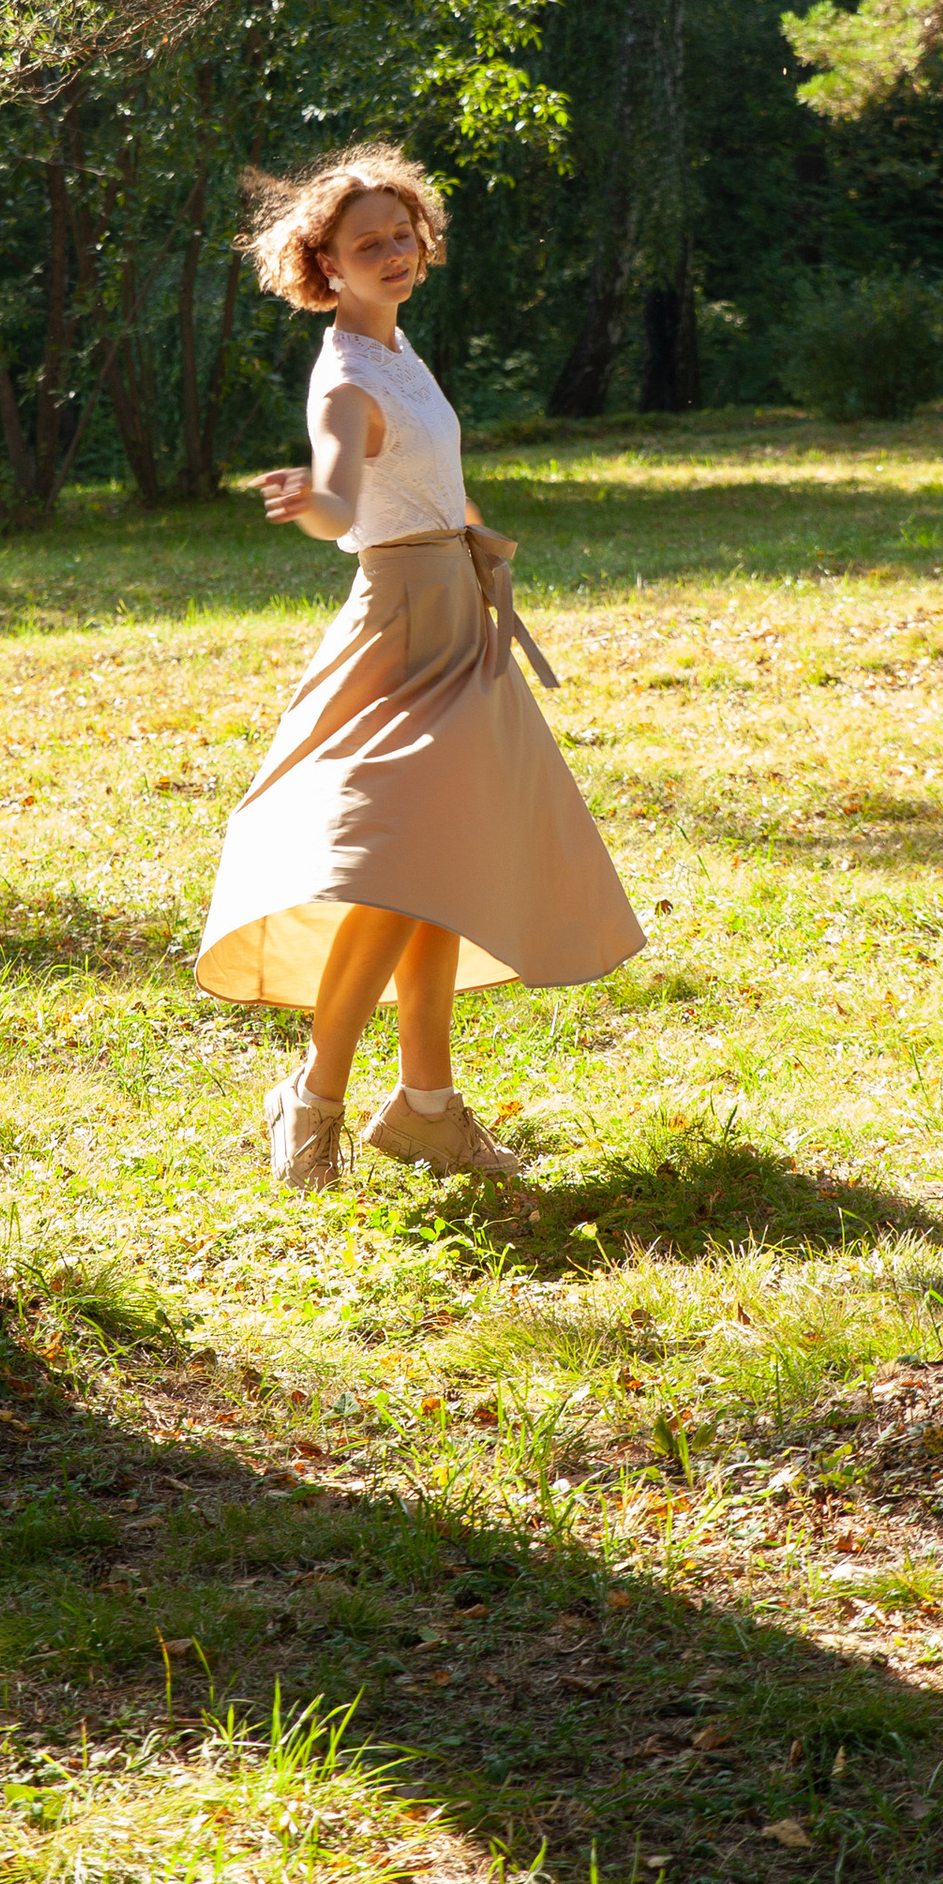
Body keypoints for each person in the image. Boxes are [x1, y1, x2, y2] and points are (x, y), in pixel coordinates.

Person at [195, 143, 645, 1189]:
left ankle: (426, 1110)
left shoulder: (400, 347)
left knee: (439, 870)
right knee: (393, 880)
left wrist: (474, 543)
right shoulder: (348, 378)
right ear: (326, 264)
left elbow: (434, 479)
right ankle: (312, 1099)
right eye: (369, 245)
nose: (394, 254)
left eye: (403, 235)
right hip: (401, 631)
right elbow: (340, 498)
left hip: (457, 619)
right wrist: (314, 506)